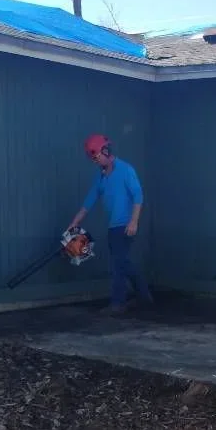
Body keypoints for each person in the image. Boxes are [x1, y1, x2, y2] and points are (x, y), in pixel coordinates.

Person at [68, 134, 152, 313]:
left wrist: (134, 221)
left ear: (106, 151)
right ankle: (144, 296)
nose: (95, 161)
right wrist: (73, 225)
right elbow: (88, 203)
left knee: (117, 264)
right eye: (93, 159)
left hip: (126, 226)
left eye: (97, 157)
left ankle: (117, 303)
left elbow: (138, 195)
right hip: (113, 227)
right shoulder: (101, 178)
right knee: (123, 263)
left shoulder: (126, 170)